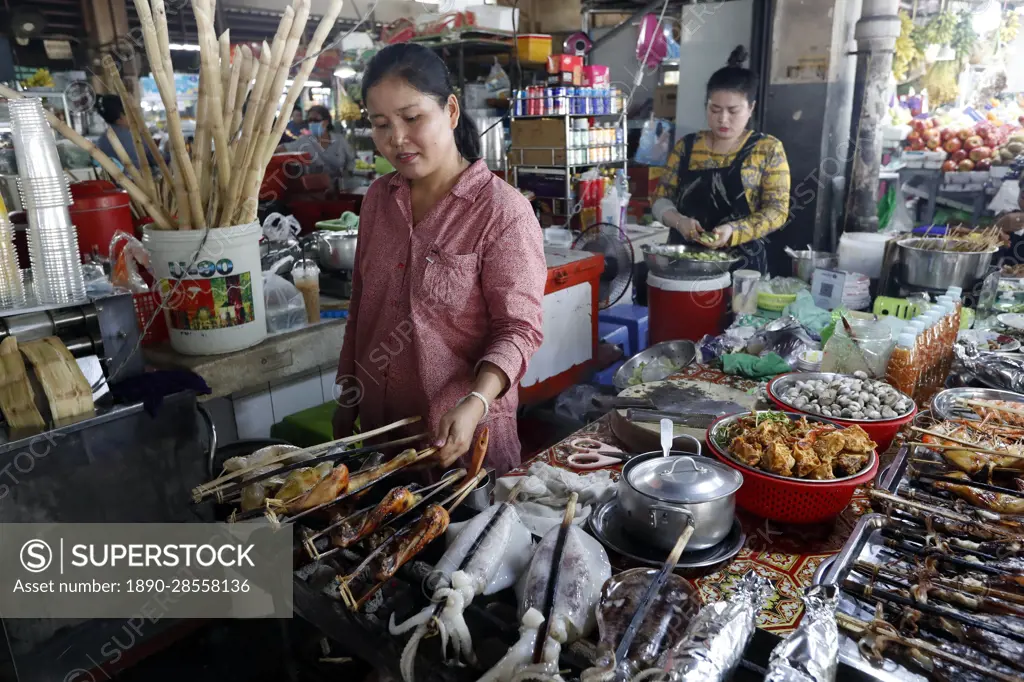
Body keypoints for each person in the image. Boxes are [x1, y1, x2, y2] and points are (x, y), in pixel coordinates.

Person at [332, 43, 546, 476]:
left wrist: (476, 401)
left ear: (449, 111)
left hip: (461, 444)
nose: (396, 139)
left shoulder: (500, 212)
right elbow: (362, 307)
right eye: (380, 124)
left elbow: (518, 330)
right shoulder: (377, 200)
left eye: (412, 118)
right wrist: (347, 398)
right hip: (380, 441)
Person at [651, 46, 791, 273]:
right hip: (684, 261)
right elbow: (659, 199)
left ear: (751, 108)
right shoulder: (686, 146)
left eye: (733, 111)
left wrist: (734, 231)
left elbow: (777, 211)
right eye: (714, 109)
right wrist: (679, 222)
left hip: (742, 266)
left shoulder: (767, 149)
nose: (723, 119)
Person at [278, 105, 356, 190]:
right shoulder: (305, 141)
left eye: (315, 120)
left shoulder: (340, 140)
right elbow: (283, 148)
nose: (312, 123)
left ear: (326, 122)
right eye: (310, 120)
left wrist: (347, 176)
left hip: (341, 189)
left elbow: (351, 161)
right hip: (315, 192)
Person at [95, 95, 159, 170]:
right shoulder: (134, 138)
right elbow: (157, 161)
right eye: (132, 112)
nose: (136, 116)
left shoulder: (102, 139)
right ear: (121, 116)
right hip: (138, 180)